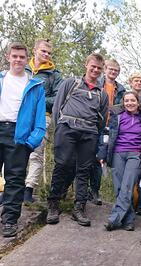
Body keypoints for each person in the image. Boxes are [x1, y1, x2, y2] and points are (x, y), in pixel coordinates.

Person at [46, 53, 109, 227]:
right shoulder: (70, 83)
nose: (95, 70)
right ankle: (53, 204)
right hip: (67, 128)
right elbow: (58, 106)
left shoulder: (102, 94)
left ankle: (79, 207)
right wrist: (59, 128)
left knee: (84, 170)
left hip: (89, 133)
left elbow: (102, 119)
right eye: (93, 66)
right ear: (86, 64)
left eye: (98, 67)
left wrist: (95, 133)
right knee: (62, 164)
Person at [0, 42, 46, 237]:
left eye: (21, 57)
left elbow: (40, 120)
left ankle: (9, 221)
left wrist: (30, 142)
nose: (18, 60)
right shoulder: (1, 79)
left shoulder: (35, 86)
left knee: (15, 180)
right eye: (14, 56)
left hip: (18, 137)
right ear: (8, 57)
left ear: (27, 59)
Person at [97, 92, 141, 231]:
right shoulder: (117, 117)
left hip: (135, 154)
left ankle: (114, 219)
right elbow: (106, 135)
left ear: (138, 102)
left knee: (127, 186)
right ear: (123, 103)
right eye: (127, 101)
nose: (129, 103)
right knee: (119, 187)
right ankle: (129, 220)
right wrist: (102, 153)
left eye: (132, 100)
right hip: (117, 154)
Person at [23, 38, 63, 203]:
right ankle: (12, 188)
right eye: (43, 51)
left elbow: (58, 97)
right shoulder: (23, 68)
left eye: (49, 52)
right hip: (19, 116)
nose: (46, 54)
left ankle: (28, 190)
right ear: (35, 50)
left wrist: (37, 99)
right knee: (13, 152)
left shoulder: (54, 74)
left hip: (42, 117)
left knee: (36, 153)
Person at [89, 58, 126, 206]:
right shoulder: (97, 83)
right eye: (110, 69)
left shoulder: (121, 89)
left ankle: (95, 190)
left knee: (100, 158)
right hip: (94, 123)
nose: (113, 72)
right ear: (105, 69)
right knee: (86, 156)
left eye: (116, 71)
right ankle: (81, 190)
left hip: (110, 126)